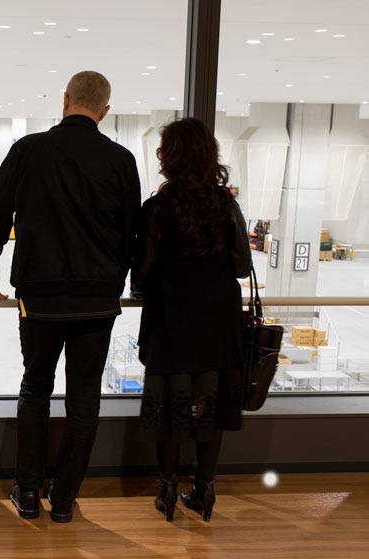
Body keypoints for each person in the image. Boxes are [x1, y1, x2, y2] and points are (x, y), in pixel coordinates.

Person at [0, 71, 141, 522]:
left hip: (39, 299)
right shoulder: (122, 160)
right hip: (99, 301)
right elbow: (131, 234)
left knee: (35, 388)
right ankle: (64, 500)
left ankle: (27, 491)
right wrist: (124, 282)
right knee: (85, 398)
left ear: (64, 100)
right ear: (104, 111)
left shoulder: (28, 150)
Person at [130, 117, 252, 523]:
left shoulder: (157, 208)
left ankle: (167, 490)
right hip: (219, 325)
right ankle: (206, 489)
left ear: (170, 158)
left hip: (172, 324)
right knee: (209, 409)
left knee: (170, 411)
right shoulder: (226, 204)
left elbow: (143, 273)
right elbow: (240, 266)